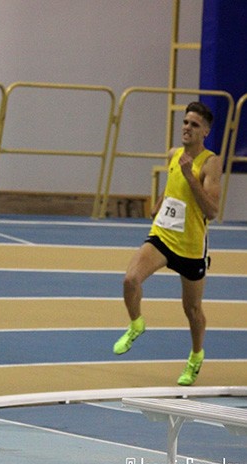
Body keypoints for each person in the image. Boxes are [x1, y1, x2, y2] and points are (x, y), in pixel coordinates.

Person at [112, 101, 222, 386]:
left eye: (194, 125)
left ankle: (196, 356)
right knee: (130, 280)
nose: (187, 128)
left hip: (191, 247)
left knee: (192, 310)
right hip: (163, 236)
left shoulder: (210, 163)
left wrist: (190, 176)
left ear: (205, 131)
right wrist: (160, 204)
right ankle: (136, 323)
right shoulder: (174, 154)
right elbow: (172, 182)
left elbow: (211, 211)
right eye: (185, 122)